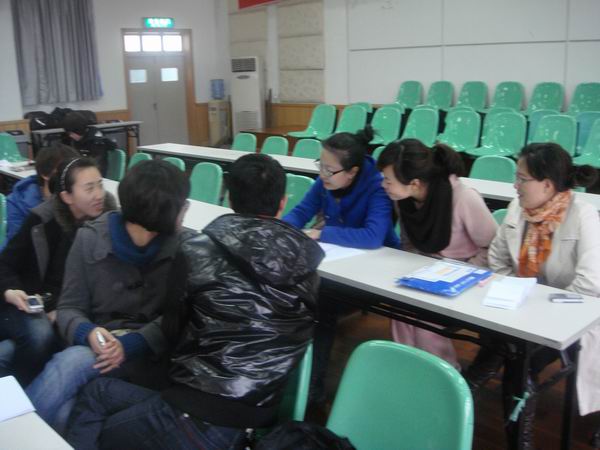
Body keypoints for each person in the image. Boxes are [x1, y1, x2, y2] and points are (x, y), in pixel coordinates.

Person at [65, 153, 324, 450]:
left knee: (97, 408)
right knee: (105, 396)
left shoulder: (196, 251)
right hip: (263, 412)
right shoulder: (308, 269)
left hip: (198, 409)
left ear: (229, 199)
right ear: (283, 203)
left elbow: (172, 331)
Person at [26, 159, 190, 433]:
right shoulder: (90, 238)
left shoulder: (185, 248)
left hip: (153, 358)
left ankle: (12, 431)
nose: (186, 209)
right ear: (160, 212)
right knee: (65, 407)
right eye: (182, 204)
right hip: (97, 350)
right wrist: (88, 332)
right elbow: (69, 307)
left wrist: (134, 343)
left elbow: (181, 317)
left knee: (68, 399)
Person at [471, 142, 600, 448]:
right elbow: (498, 259)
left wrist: (538, 309)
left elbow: (590, 283)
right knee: (503, 344)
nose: (515, 186)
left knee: (521, 359)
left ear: (547, 184)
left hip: (577, 313)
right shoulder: (518, 208)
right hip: (526, 307)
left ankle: (518, 437)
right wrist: (518, 295)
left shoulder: (583, 215)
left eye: (522, 179)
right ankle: (466, 391)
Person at [377, 139, 497, 368]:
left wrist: (464, 270)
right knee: (400, 308)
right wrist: (416, 268)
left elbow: (494, 247)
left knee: (425, 319)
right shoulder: (404, 200)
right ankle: (408, 367)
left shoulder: (463, 198)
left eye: (387, 180)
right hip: (429, 273)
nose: (383, 185)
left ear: (414, 183)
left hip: (468, 275)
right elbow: (408, 243)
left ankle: (443, 374)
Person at [0, 157, 117, 384]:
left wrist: (63, 311)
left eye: (100, 185)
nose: (99, 195)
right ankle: (22, 391)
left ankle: (22, 392)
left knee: (10, 351)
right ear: (67, 197)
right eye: (89, 188)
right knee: (39, 334)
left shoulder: (111, 223)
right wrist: (10, 291)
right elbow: (5, 264)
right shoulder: (42, 222)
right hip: (31, 303)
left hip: (77, 310)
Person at [283, 126, 399, 249]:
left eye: (328, 169)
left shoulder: (378, 188)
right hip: (342, 249)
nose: (322, 175)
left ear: (352, 172)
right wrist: (280, 228)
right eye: (320, 166)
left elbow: (372, 237)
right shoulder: (326, 179)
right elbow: (301, 212)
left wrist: (322, 233)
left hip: (385, 254)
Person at [5, 143, 79, 245]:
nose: (70, 175)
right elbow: (18, 245)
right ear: (45, 174)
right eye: (63, 169)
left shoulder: (77, 196)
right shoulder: (18, 203)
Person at [62, 111, 116, 176]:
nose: (70, 136)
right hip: (83, 172)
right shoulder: (77, 139)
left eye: (72, 133)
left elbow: (98, 165)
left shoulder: (96, 140)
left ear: (79, 129)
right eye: (68, 133)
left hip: (97, 174)